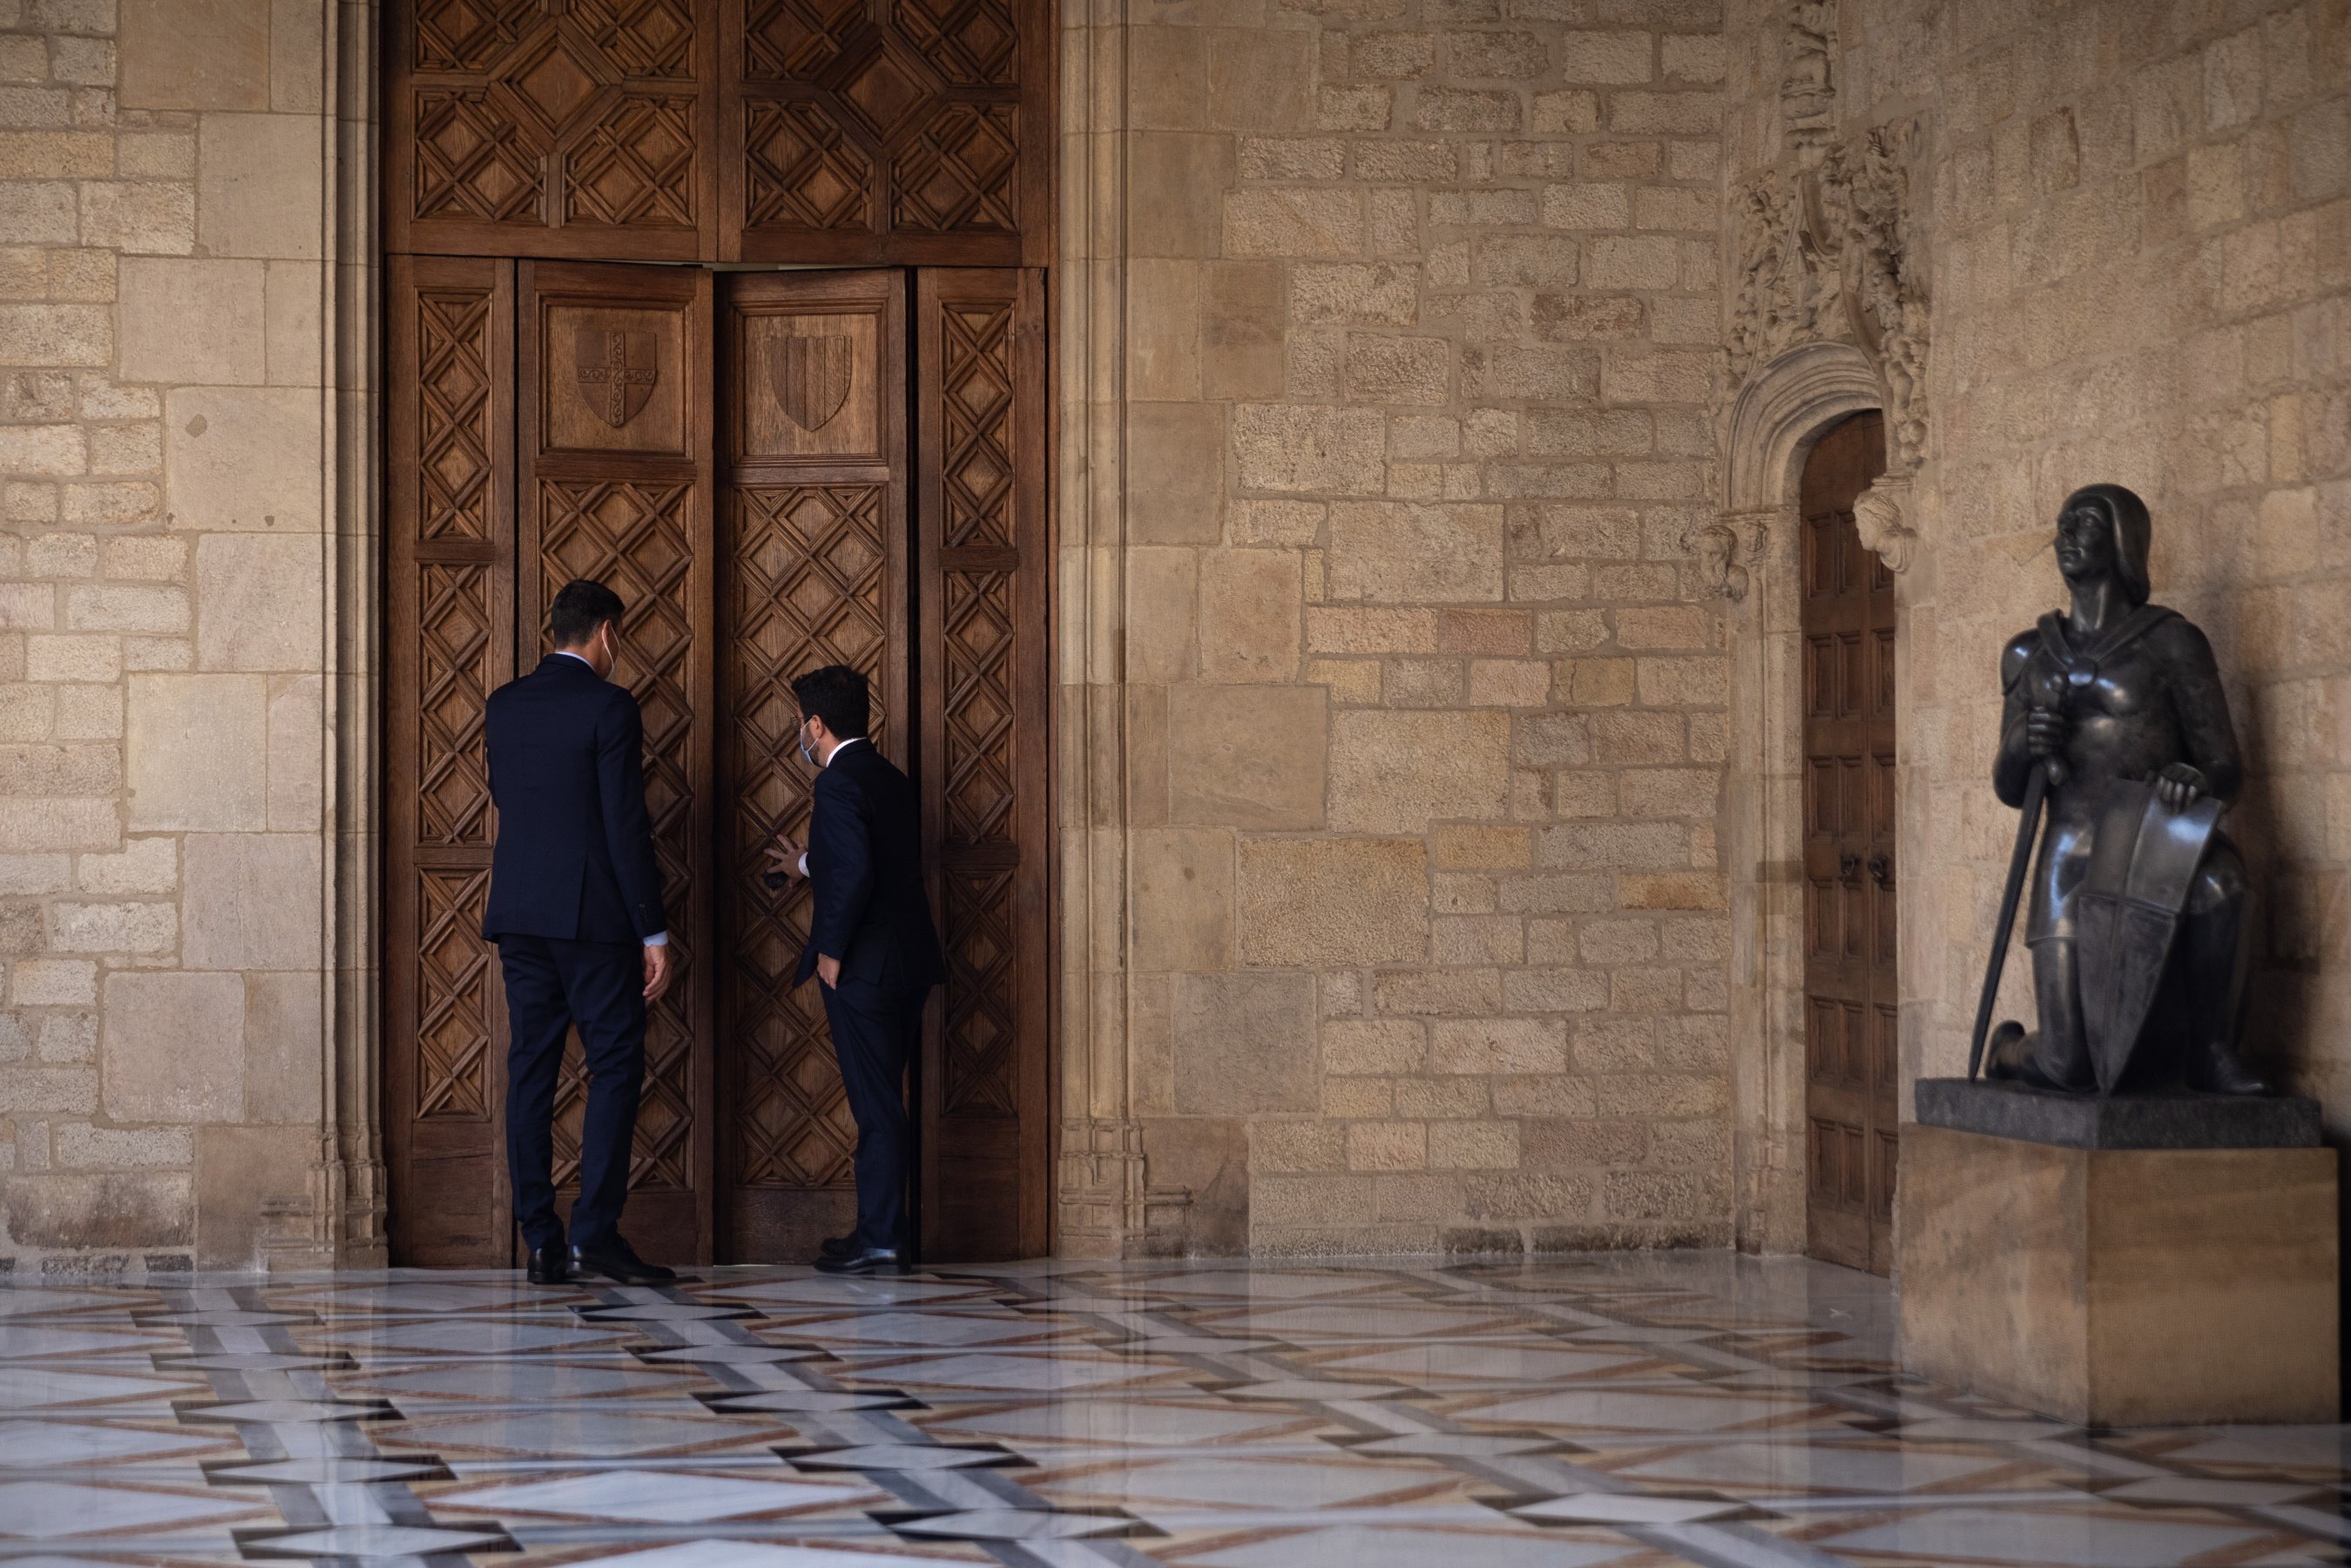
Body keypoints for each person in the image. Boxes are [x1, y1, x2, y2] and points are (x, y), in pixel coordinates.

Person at [1984, 484, 2265, 1096]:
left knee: (2224, 880)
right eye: (2061, 523)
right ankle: (2008, 1050)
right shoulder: (2029, 654)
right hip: (2069, 853)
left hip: (2152, 843)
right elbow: (2008, 787)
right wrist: (2024, 743)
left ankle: (2213, 1050)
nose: (2065, 534)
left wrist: (2192, 777)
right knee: (2067, 1066)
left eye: (2083, 521)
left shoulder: (2170, 643)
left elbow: (2226, 768)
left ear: (2121, 539)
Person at [483, 578, 679, 1286]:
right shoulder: (609, 705)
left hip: (519, 915)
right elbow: (625, 824)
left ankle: (540, 1239)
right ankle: (593, 1234)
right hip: (594, 918)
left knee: (531, 1068)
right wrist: (651, 930)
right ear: (606, 634)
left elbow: (510, 799)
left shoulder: (503, 705)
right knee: (616, 1066)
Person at [765, 665, 945, 1274]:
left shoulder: (836, 784)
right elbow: (864, 855)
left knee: (875, 1106)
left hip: (863, 967)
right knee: (882, 1098)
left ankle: (881, 1239)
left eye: (800, 723)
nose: (800, 732)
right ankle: (879, 1228)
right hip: (909, 959)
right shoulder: (888, 777)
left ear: (815, 724)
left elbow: (857, 873)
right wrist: (807, 862)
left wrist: (832, 951)